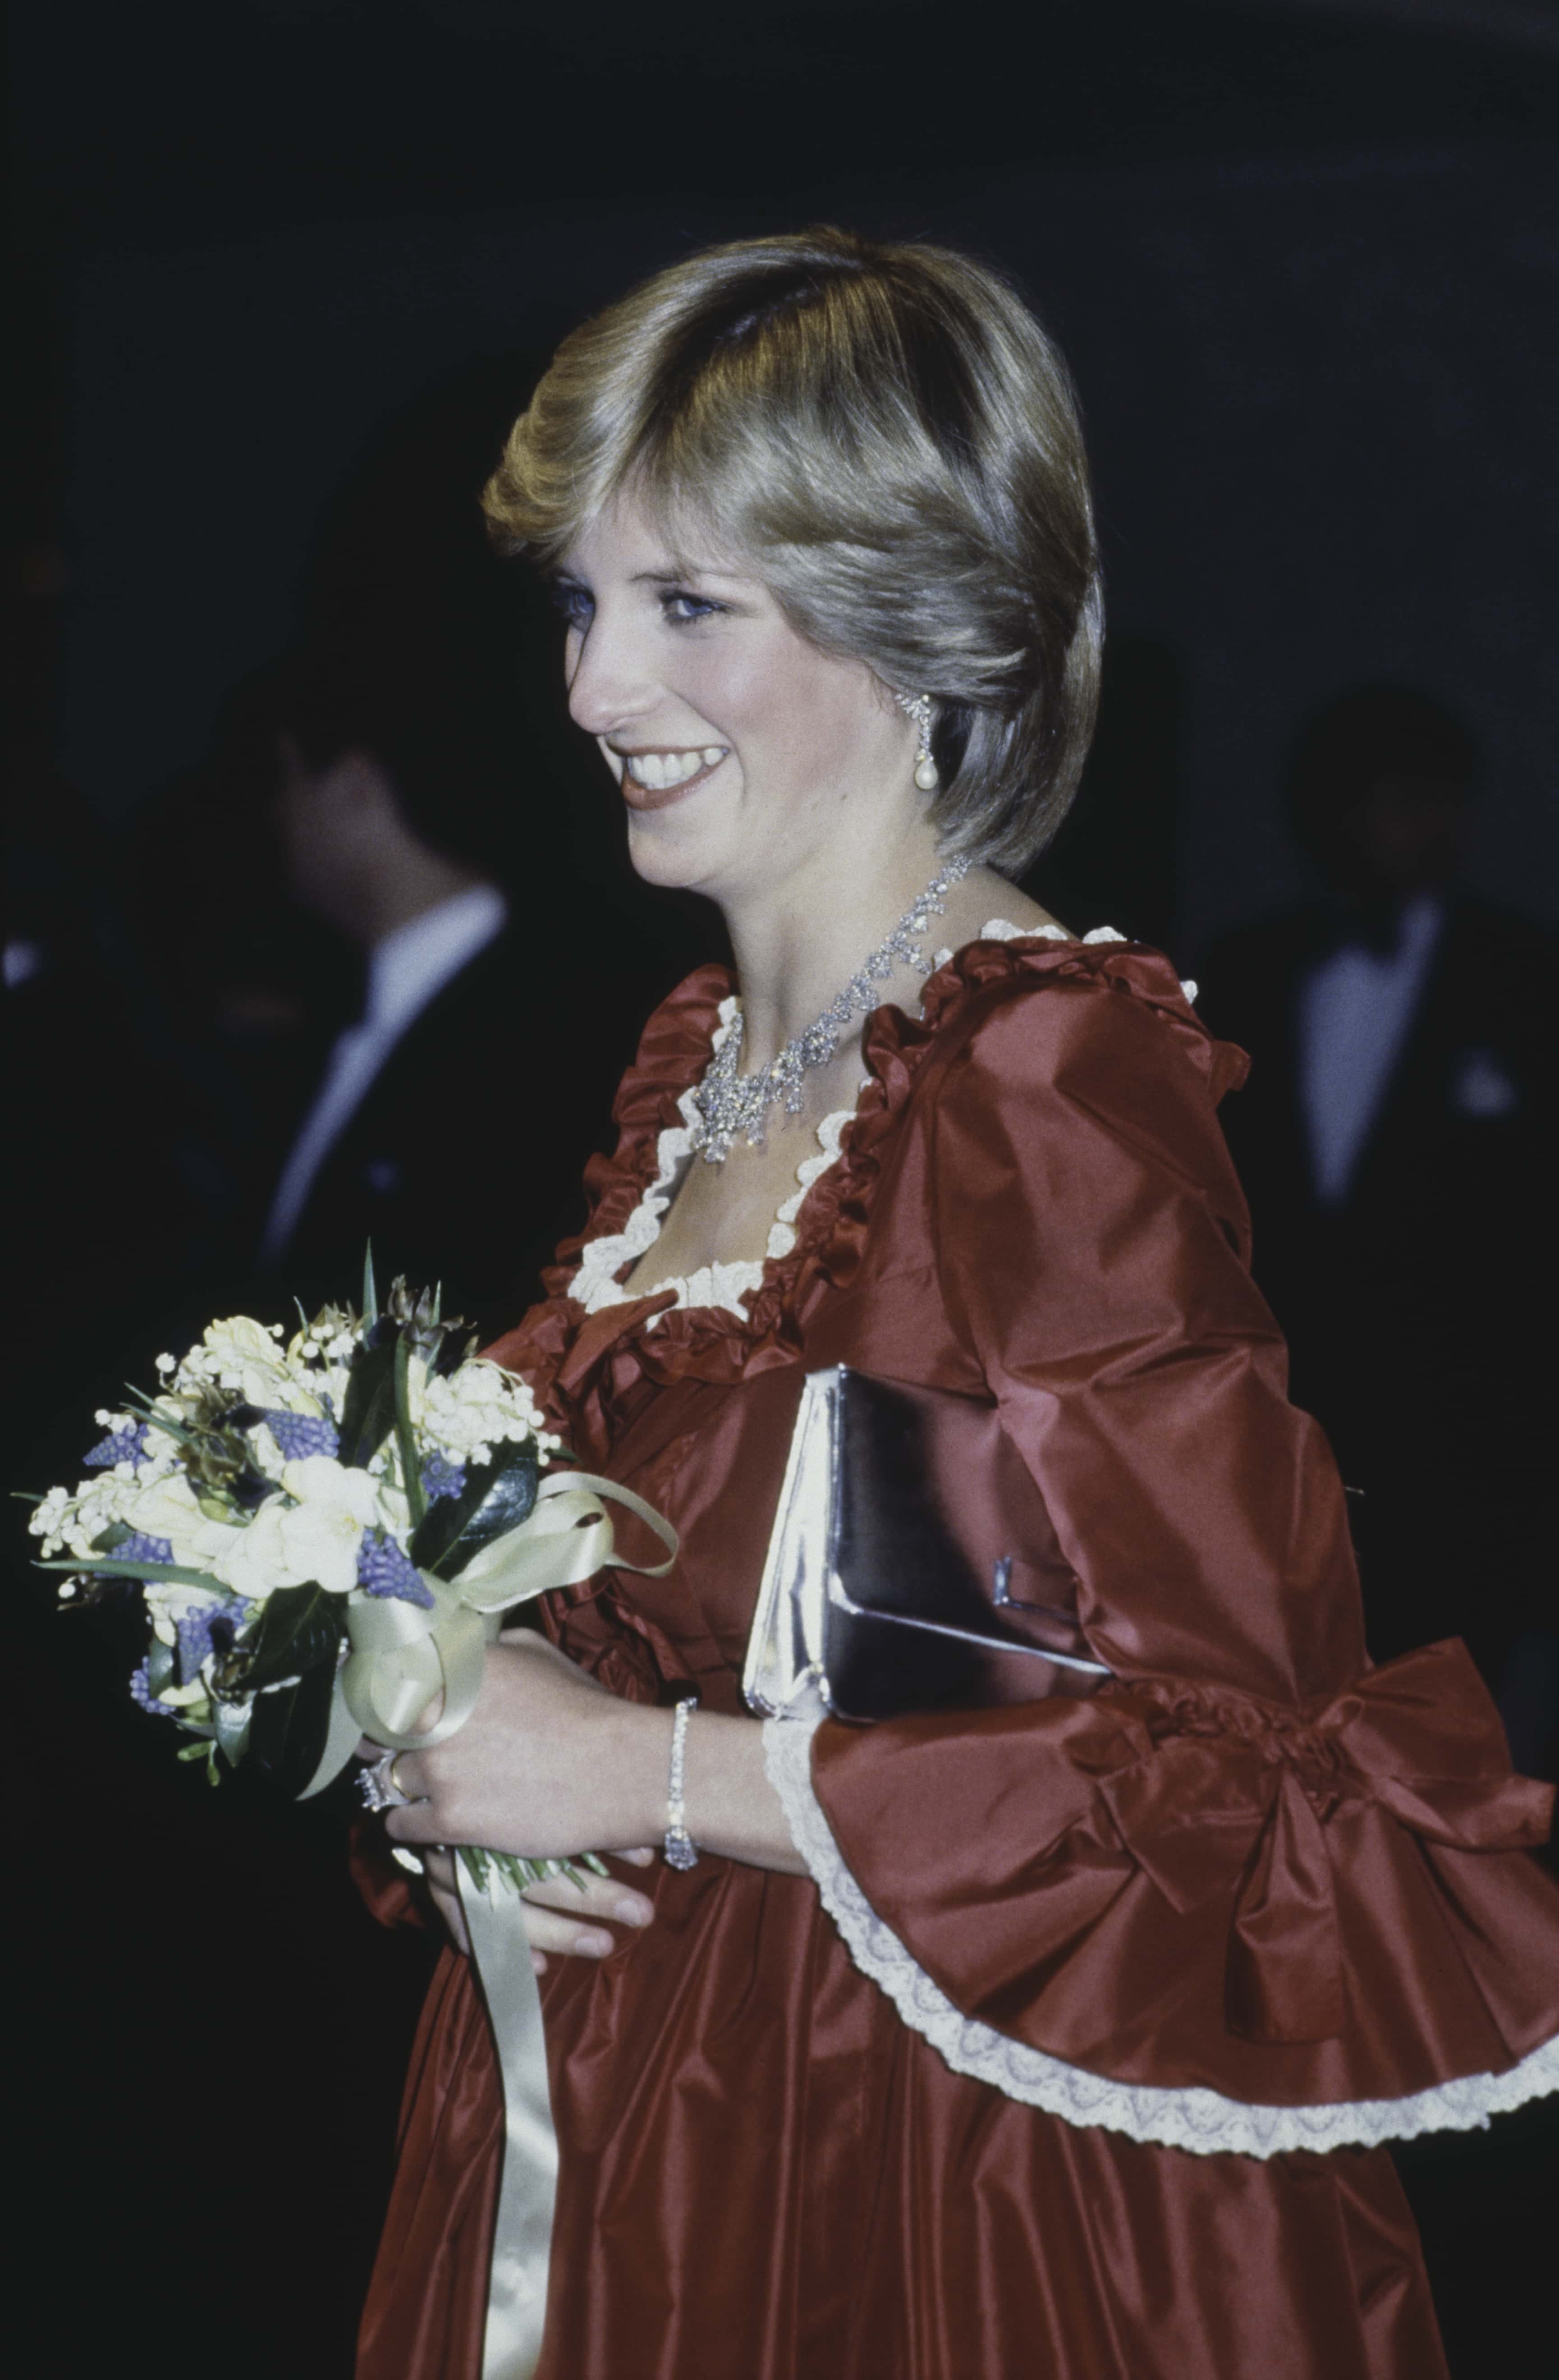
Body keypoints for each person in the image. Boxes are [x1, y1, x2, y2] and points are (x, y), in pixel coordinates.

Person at [353, 229, 1559, 2380]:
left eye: (686, 608)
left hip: (923, 2180)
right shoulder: (706, 1070)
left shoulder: (1035, 1082)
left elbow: (1242, 1774)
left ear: (919, 627)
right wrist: (450, 1727)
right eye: (581, 602)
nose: (592, 689)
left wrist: (630, 1766)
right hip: (641, 2123)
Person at [1200, 692, 1557, 1770]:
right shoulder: (1244, 972)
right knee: (1275, 1732)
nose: (1425, 826)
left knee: (1450, 1750)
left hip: (1466, 1458)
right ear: (1334, 813)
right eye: (1396, 800)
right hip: (1282, 1442)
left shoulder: (1529, 982)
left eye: (1441, 801)